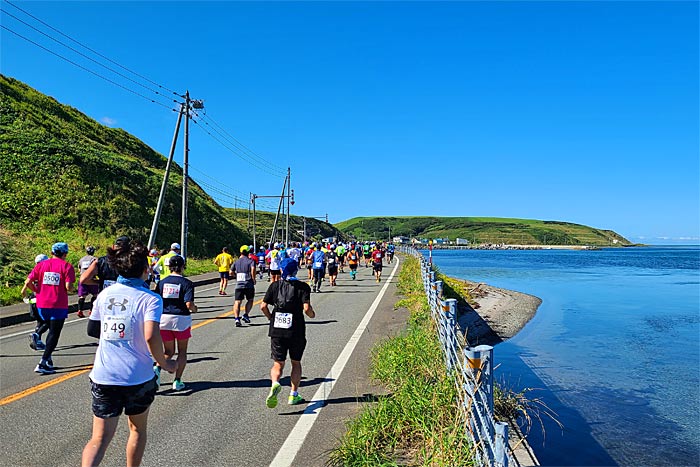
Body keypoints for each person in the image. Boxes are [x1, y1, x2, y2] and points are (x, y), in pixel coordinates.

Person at [82, 239, 176, 467]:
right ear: (145, 270)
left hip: (105, 375)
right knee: (137, 429)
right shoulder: (151, 298)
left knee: (100, 437)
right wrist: (164, 362)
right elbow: (150, 335)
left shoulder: (105, 295)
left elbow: (92, 329)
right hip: (138, 376)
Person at [261, 258, 315, 408]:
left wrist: (271, 317)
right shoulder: (303, 287)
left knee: (278, 363)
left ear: (281, 270)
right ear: (296, 270)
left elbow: (263, 306)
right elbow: (306, 308)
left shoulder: (275, 286)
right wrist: (312, 314)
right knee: (295, 362)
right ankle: (293, 395)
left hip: (277, 329)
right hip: (296, 329)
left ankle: (275, 383)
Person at [23, 242, 75, 374]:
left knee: (47, 326)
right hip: (58, 304)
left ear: (52, 253)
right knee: (54, 333)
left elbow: (28, 282)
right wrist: (73, 290)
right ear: (64, 254)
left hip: (41, 304)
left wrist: (37, 290)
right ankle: (43, 362)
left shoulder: (41, 265)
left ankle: (48, 359)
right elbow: (68, 287)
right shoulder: (67, 266)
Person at [156, 254, 196, 391]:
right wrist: (195, 309)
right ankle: (177, 381)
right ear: (183, 266)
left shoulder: (161, 283)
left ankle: (156, 368)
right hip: (181, 319)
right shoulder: (187, 283)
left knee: (168, 351)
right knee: (182, 351)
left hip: (163, 319)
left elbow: (156, 300)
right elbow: (189, 304)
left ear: (169, 267)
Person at [21, 254, 50, 351]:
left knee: (40, 321)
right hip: (42, 299)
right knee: (49, 322)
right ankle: (36, 335)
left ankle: (38, 342)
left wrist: (25, 296)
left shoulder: (34, 271)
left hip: (33, 299)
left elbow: (25, 286)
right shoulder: (46, 271)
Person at [232, 245, 257, 327]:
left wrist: (236, 276)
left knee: (237, 301)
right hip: (248, 283)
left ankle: (236, 319)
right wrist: (253, 279)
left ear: (240, 252)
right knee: (250, 300)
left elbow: (230, 272)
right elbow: (253, 269)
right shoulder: (251, 261)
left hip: (239, 284)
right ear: (248, 252)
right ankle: (245, 315)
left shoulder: (236, 262)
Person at [76, 246, 99, 318]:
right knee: (95, 294)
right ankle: (91, 310)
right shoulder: (94, 259)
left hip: (82, 279)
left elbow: (79, 269)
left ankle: (80, 310)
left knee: (82, 296)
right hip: (91, 279)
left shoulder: (81, 259)